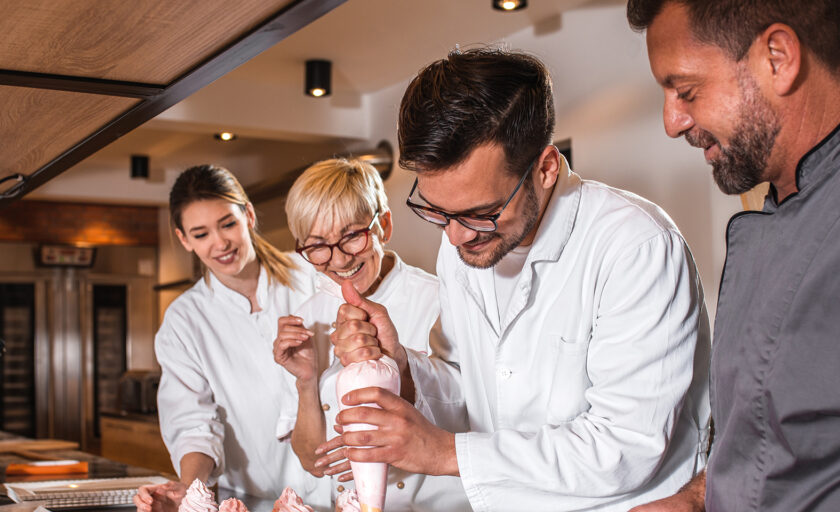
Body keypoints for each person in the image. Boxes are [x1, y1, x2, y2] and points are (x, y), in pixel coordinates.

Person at [316, 48, 712, 511]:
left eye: (481, 213)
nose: (457, 234)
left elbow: (624, 449)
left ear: (545, 168)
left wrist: (444, 452)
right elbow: (469, 389)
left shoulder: (635, 247)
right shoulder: (460, 244)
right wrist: (403, 366)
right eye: (436, 210)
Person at [626, 1, 840, 510]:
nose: (672, 122)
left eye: (686, 91)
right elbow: (776, 435)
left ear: (778, 58)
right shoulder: (776, 211)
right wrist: (699, 497)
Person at [272, 158, 471, 511]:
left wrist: (377, 453)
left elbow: (471, 420)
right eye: (318, 246)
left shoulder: (439, 301)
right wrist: (306, 381)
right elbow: (311, 461)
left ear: (384, 226)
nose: (338, 259)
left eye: (351, 236)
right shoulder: (309, 317)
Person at [134, 165, 315, 512]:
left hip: (345, 493)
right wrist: (190, 491)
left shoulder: (309, 276)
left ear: (248, 215)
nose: (220, 243)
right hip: (254, 502)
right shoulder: (184, 321)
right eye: (200, 234)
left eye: (227, 224)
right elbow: (192, 423)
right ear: (184, 239)